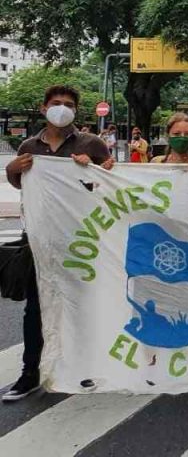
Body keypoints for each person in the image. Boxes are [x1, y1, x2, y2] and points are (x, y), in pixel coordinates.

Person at [3, 85, 113, 402]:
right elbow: (22, 183)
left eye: (68, 104)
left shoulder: (92, 144)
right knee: (35, 309)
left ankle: (83, 368)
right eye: (56, 103)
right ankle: (29, 374)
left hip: (82, 241)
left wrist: (93, 168)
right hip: (40, 241)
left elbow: (109, 183)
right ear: (44, 108)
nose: (61, 108)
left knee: (82, 307)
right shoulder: (29, 145)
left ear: (76, 112)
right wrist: (13, 170)